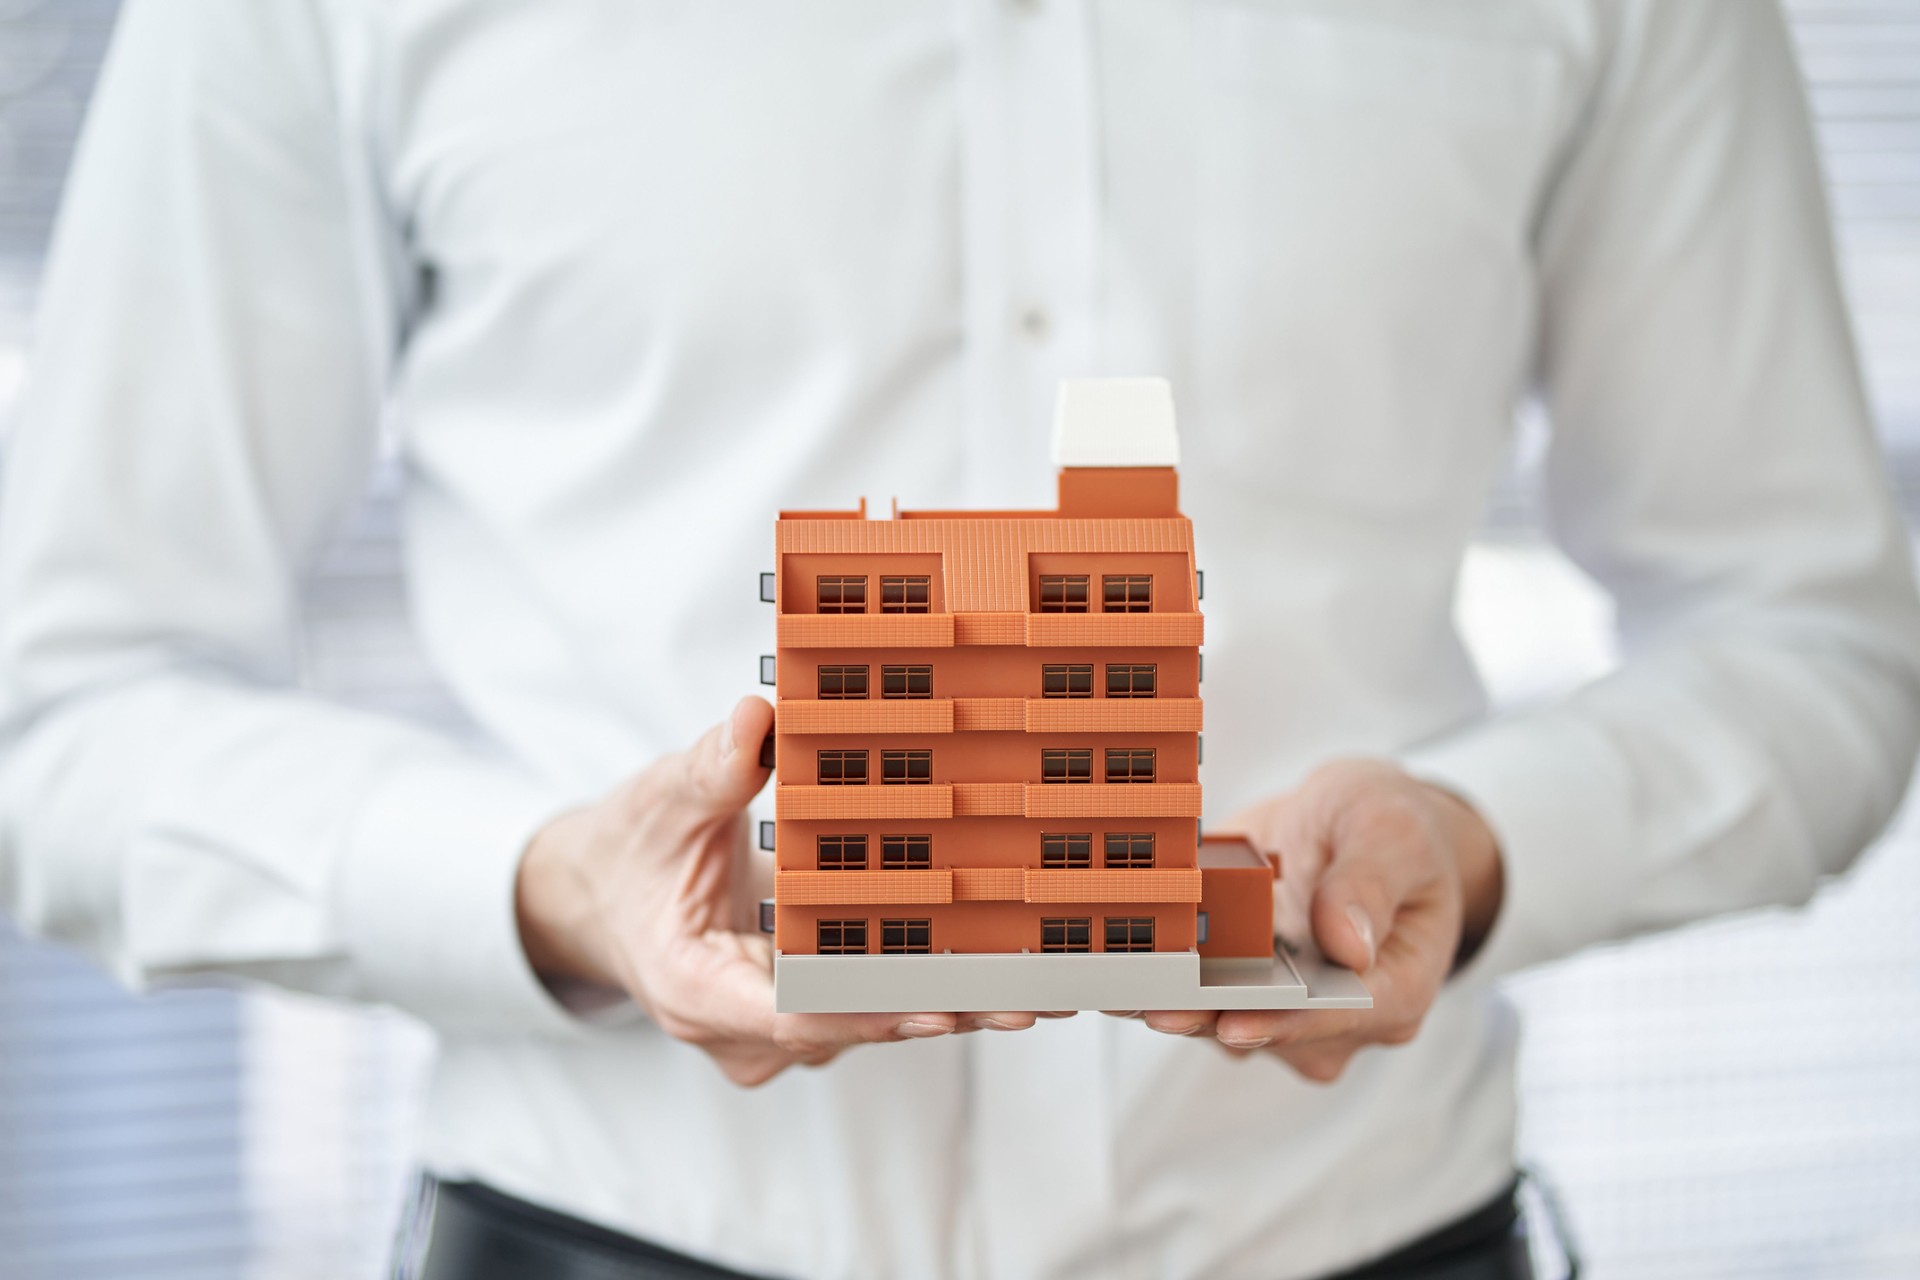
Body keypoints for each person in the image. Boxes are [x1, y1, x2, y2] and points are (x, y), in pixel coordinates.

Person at [3, 2, 1916, 1277]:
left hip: (1370, 1234)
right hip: (601, 1230)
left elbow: (1813, 634)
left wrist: (1478, 850)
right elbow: (62, 715)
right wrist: (551, 894)